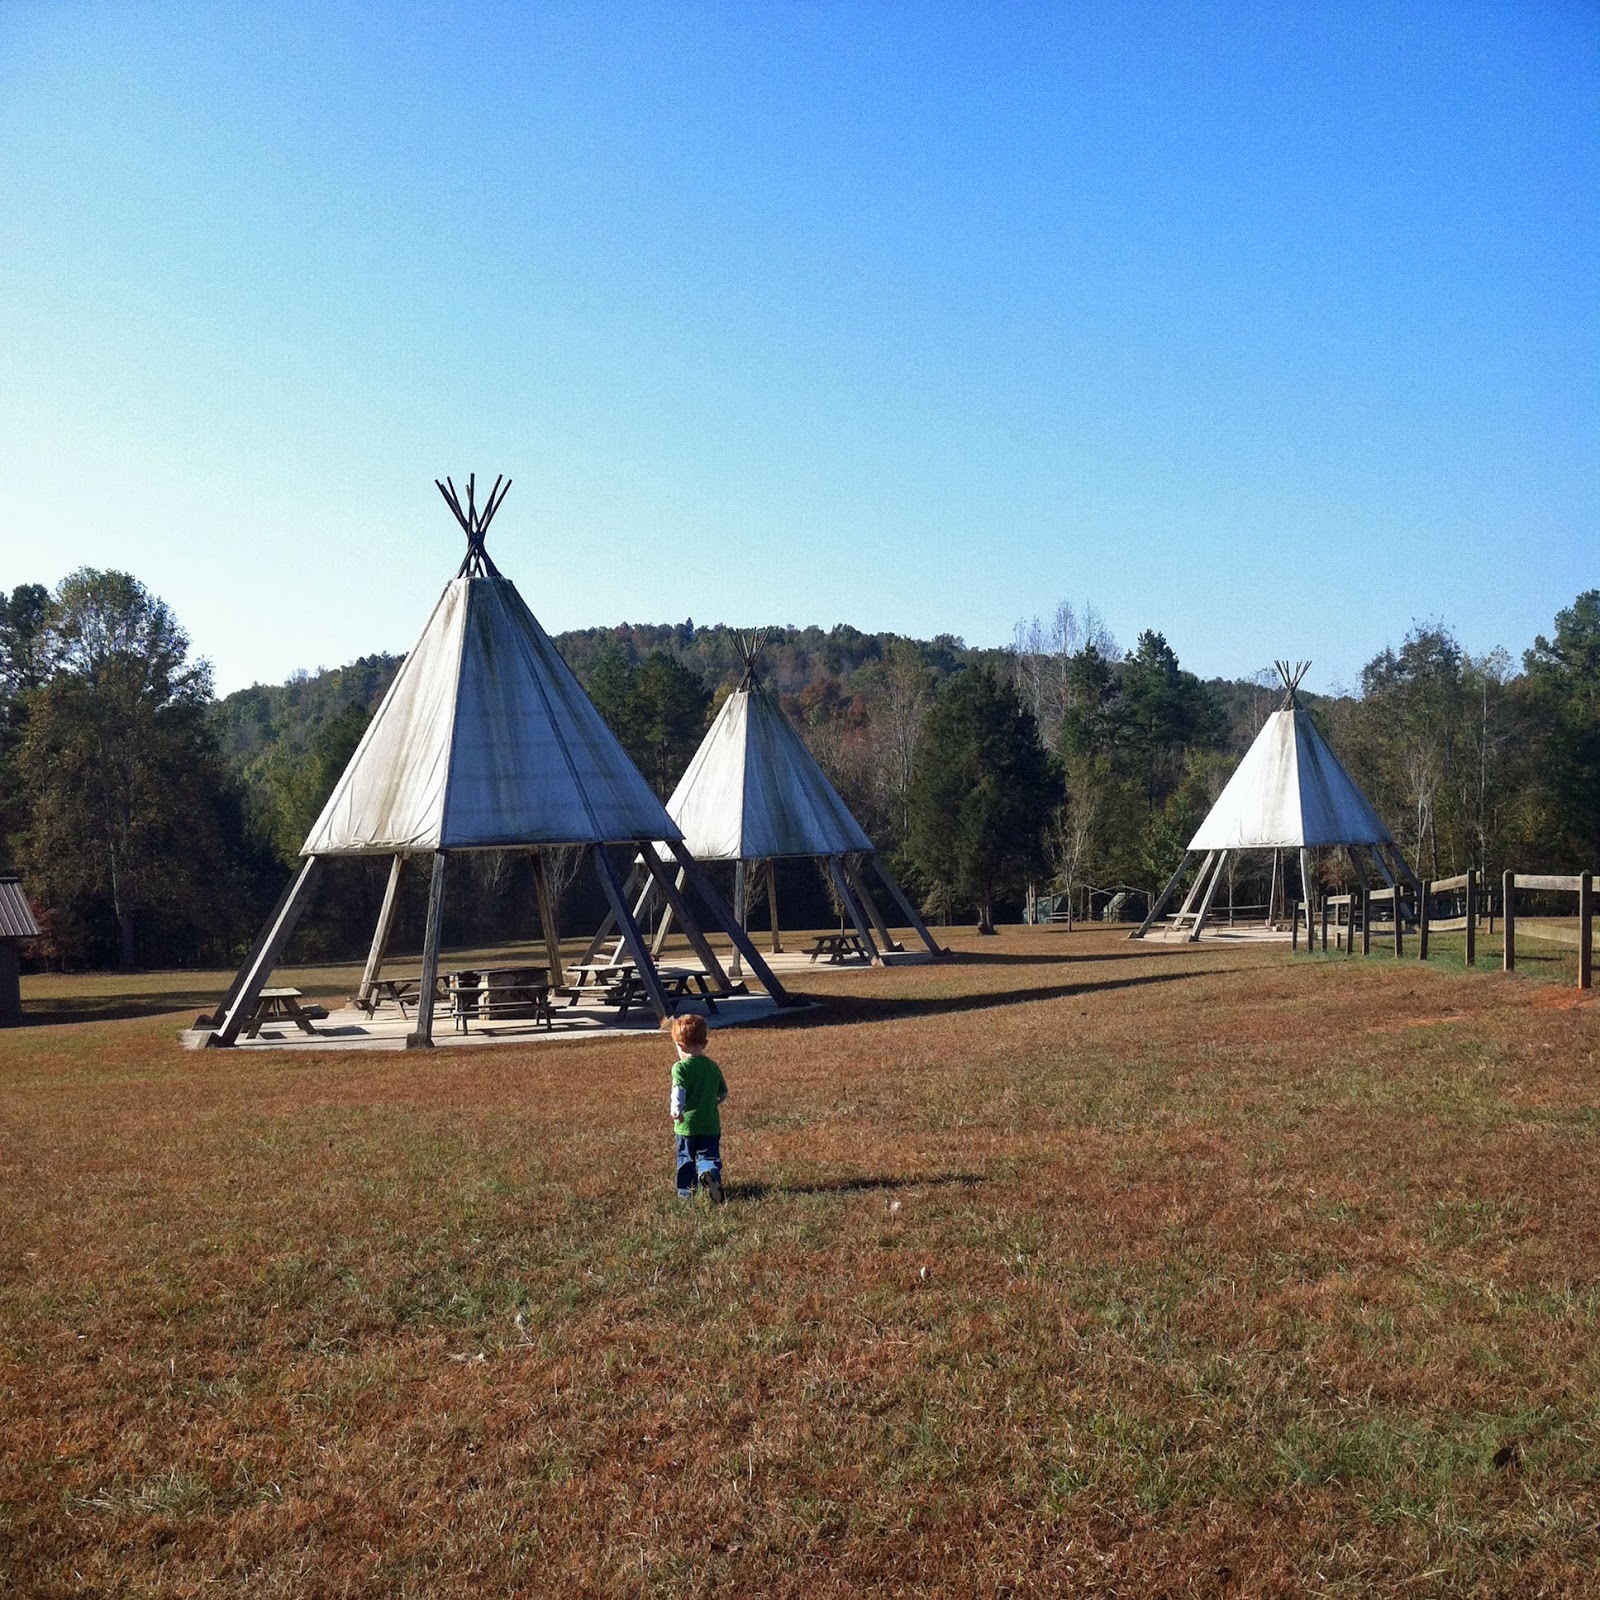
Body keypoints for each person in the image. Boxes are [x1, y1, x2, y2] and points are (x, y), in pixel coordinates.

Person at [669, 1012, 726, 1203]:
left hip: (687, 1125)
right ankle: (710, 1174)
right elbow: (723, 1093)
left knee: (686, 1158)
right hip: (710, 1124)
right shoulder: (712, 1067)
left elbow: (678, 1091)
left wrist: (676, 1110)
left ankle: (686, 1194)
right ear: (705, 1043)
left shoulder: (680, 1067)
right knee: (708, 1156)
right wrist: (712, 1102)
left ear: (680, 1045)